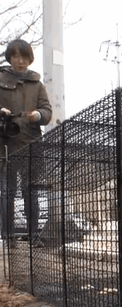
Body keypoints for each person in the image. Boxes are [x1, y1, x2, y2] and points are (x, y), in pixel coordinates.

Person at [0, 39, 52, 247]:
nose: (20, 61)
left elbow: (47, 111)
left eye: (24, 57)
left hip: (32, 143)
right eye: (16, 56)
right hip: (6, 143)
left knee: (31, 191)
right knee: (8, 191)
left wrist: (38, 115)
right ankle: (8, 236)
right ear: (9, 58)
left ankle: (33, 235)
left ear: (30, 59)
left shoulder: (37, 85)